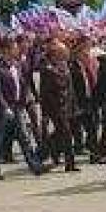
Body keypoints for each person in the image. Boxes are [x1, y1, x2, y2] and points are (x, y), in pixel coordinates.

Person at [0, 37, 46, 180]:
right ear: (6, 50)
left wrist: (24, 100)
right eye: (14, 48)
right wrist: (4, 107)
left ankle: (34, 165)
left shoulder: (17, 64)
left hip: (17, 106)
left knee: (24, 137)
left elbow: (22, 83)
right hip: (2, 108)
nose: (17, 50)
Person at [39, 38, 78, 172]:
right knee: (66, 133)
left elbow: (70, 88)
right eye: (63, 52)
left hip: (66, 106)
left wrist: (73, 106)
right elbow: (44, 92)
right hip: (55, 108)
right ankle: (69, 163)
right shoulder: (47, 69)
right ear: (56, 54)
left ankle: (47, 151)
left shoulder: (65, 66)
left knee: (61, 133)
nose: (67, 53)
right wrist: (45, 113)